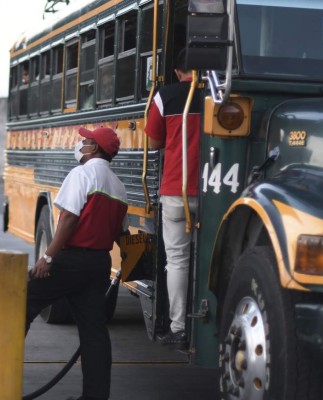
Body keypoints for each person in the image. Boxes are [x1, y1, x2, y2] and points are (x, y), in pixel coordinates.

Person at [26, 126, 128, 400]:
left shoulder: (81, 174)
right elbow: (122, 233)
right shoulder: (119, 186)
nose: (80, 143)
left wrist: (48, 258)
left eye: (85, 140)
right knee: (94, 331)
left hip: (72, 259)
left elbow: (69, 219)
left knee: (21, 300)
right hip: (98, 264)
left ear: (94, 148)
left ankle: (0, 377)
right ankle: (95, 396)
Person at [145, 50, 201, 349]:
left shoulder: (164, 96)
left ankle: (179, 329)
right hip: (213, 190)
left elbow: (153, 142)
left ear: (179, 72)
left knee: (177, 261)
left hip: (175, 189)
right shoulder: (222, 95)